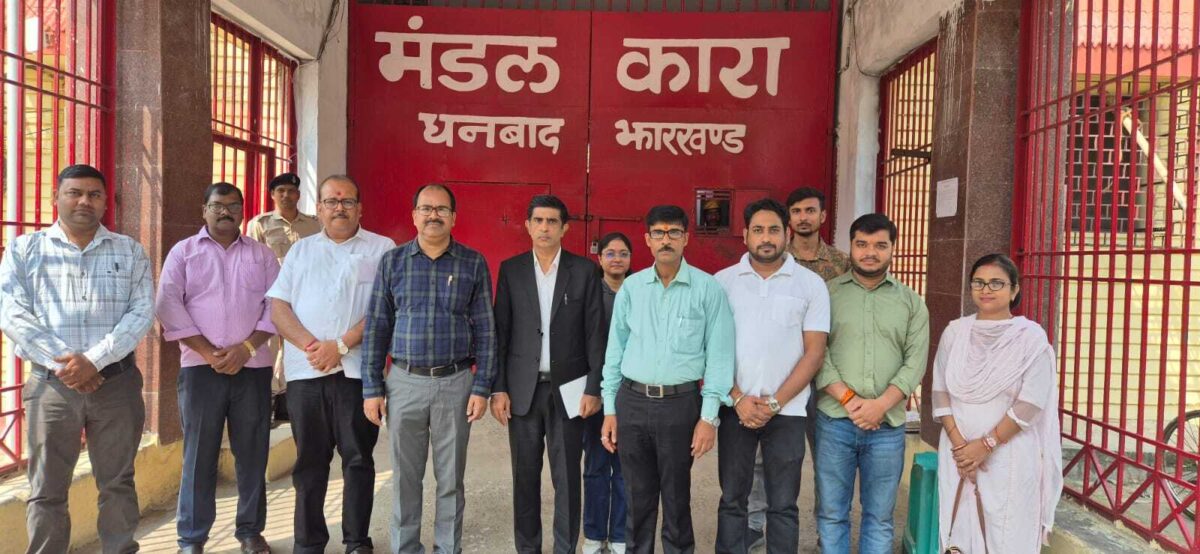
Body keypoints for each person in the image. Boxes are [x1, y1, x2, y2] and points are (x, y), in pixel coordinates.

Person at [0, 164, 154, 554]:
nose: (84, 201)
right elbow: (12, 314)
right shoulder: (24, 250)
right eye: (75, 192)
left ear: (105, 202)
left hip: (116, 384)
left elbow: (141, 313)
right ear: (56, 197)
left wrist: (94, 361)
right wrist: (67, 367)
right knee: (46, 488)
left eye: (94, 194)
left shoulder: (130, 251)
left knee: (117, 482)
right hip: (52, 388)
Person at [361, 183, 496, 554]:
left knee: (450, 479)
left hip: (456, 382)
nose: (433, 215)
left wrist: (482, 386)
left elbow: (486, 328)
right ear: (414, 216)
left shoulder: (472, 262)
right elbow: (377, 326)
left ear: (453, 217)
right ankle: (406, 547)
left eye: (441, 209)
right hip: (404, 383)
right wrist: (372, 388)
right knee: (405, 478)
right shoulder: (393, 262)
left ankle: (447, 547)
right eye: (426, 208)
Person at [267, 175, 394, 554]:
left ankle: (357, 541)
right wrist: (314, 347)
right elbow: (278, 307)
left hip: (358, 376)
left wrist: (339, 346)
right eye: (331, 201)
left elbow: (385, 309)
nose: (340, 207)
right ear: (319, 208)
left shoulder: (382, 249)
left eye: (347, 201)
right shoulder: (301, 251)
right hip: (307, 375)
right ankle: (308, 542)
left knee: (358, 460)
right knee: (309, 463)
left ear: (360, 208)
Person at [599, 205, 735, 554]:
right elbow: (615, 352)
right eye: (658, 233)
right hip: (632, 402)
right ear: (647, 239)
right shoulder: (631, 288)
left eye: (674, 232)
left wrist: (708, 418)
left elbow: (720, 359)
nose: (666, 240)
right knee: (637, 499)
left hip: (680, 406)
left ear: (686, 238)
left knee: (676, 500)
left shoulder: (707, 289)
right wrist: (610, 409)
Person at [156, 182, 279, 554]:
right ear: (204, 210)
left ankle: (250, 532)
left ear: (242, 210)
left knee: (253, 453)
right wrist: (209, 353)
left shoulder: (262, 255)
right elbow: (167, 304)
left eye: (233, 205)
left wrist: (246, 348)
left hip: (252, 367)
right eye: (217, 205)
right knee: (199, 454)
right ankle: (192, 538)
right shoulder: (184, 252)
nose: (225, 211)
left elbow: (277, 305)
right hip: (200, 369)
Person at [491, 195, 607, 554]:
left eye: (552, 221)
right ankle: (528, 548)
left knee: (568, 478)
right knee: (524, 478)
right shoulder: (511, 270)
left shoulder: (584, 271)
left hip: (569, 392)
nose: (545, 227)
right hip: (522, 390)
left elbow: (595, 334)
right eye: (538, 221)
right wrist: (498, 388)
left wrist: (593, 388)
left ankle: (564, 548)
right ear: (528, 225)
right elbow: (501, 332)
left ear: (565, 228)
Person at [714, 199, 829, 554]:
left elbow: (814, 353)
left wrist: (776, 403)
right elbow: (710, 350)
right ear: (745, 234)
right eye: (759, 230)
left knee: (783, 504)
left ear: (787, 234)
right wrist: (738, 398)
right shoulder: (722, 283)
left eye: (774, 230)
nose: (766, 238)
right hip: (736, 409)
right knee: (733, 499)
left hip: (788, 412)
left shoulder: (810, 284)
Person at [813, 213, 929, 554]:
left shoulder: (911, 302)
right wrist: (850, 400)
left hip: (887, 427)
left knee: (879, 517)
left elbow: (915, 362)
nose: (870, 253)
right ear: (850, 247)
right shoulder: (826, 296)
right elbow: (816, 353)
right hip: (835, 421)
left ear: (893, 248)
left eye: (880, 245)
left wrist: (880, 405)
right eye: (862, 244)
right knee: (832, 513)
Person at [932, 254, 1062, 553]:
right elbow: (940, 392)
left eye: (996, 283)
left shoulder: (1030, 338)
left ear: (1014, 290)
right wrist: (962, 449)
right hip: (957, 453)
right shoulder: (955, 332)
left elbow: (1031, 403)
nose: (986, 289)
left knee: (1006, 535)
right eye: (978, 282)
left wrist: (986, 445)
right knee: (958, 533)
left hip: (1009, 455)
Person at [747, 186, 849, 548]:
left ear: (823, 216)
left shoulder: (842, 264)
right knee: (761, 458)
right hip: (781, 378)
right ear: (788, 220)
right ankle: (754, 524)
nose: (803, 217)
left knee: (826, 459)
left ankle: (827, 529)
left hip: (827, 379)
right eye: (796, 211)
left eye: (810, 210)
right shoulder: (772, 257)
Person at [246, 172, 321, 423]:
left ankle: (286, 401)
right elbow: (251, 263)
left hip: (304, 297)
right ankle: (267, 400)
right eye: (281, 191)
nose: (286, 195)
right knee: (269, 347)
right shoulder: (260, 224)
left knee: (297, 345)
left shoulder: (314, 225)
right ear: (272, 195)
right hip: (272, 296)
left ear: (298, 194)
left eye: (291, 191)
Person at [582, 233, 633, 554]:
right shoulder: (588, 293)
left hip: (631, 394)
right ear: (599, 259)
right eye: (610, 253)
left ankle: (619, 536)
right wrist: (592, 389)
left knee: (626, 469)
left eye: (623, 253)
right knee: (596, 465)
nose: (616, 259)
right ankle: (593, 534)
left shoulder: (639, 291)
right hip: (595, 393)